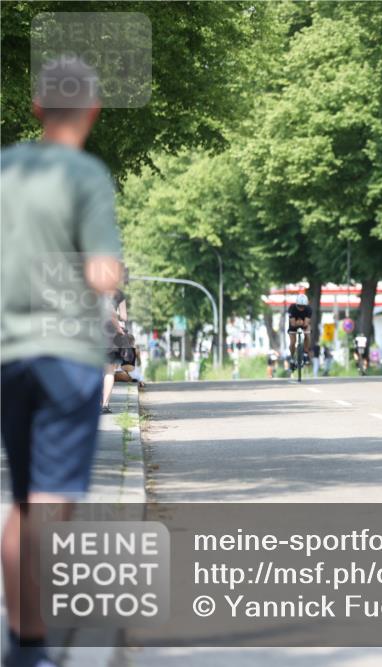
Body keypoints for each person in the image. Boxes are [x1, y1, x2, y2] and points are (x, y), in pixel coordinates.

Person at [1, 56, 123, 667]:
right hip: (66, 357)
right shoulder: (85, 176)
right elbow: (102, 270)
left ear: (36, 108)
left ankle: (25, 643)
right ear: (94, 111)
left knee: (24, 501)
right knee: (50, 502)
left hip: (7, 354)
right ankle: (34, 644)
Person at [287, 294, 312, 369]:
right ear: (296, 304)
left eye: (303, 306)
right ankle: (292, 357)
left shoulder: (309, 309)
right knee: (292, 342)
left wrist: (301, 323)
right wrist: (299, 323)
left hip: (304, 324)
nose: (301, 308)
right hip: (293, 326)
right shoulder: (292, 308)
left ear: (306, 305)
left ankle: (305, 353)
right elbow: (293, 323)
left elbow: (306, 323)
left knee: (307, 335)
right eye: (299, 306)